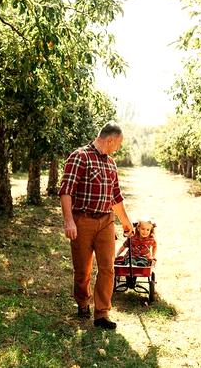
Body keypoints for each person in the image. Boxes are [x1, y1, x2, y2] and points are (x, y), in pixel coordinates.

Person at [59, 121, 133, 330]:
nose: (118, 148)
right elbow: (66, 191)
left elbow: (116, 197)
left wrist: (126, 223)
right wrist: (69, 220)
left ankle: (102, 313)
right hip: (83, 220)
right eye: (117, 143)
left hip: (106, 221)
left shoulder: (111, 163)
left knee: (108, 268)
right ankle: (83, 302)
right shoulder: (79, 157)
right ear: (110, 140)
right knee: (83, 270)